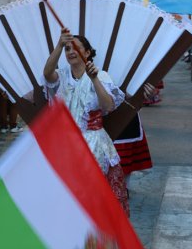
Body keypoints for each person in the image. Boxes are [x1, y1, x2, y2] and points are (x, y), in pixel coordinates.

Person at [43, 27, 129, 216]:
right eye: (67, 49)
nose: (71, 52)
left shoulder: (101, 75)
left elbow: (108, 106)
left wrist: (94, 79)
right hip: (66, 144)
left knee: (93, 197)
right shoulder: (63, 75)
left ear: (87, 52)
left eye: (76, 48)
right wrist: (59, 44)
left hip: (94, 143)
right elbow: (47, 73)